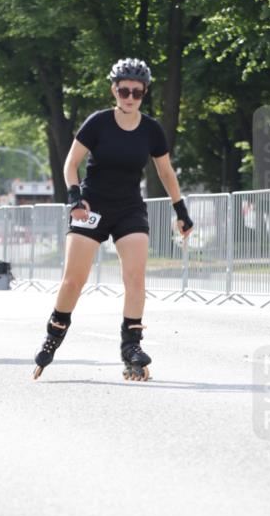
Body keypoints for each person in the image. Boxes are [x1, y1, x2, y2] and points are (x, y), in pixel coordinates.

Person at [33, 57, 193, 381]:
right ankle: (54, 333)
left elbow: (165, 171)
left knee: (135, 278)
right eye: (124, 91)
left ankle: (131, 346)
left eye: (137, 92)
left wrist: (181, 211)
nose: (130, 98)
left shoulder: (151, 130)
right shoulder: (98, 123)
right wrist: (75, 196)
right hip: (91, 207)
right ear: (114, 90)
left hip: (129, 208)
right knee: (73, 280)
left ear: (144, 93)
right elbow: (70, 164)